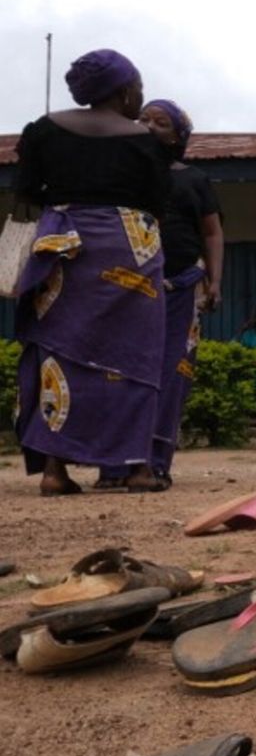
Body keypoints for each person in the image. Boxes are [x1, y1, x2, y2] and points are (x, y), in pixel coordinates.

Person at [12, 49, 171, 495]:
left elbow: (25, 191)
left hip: (63, 247)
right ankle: (137, 468)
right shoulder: (143, 141)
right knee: (135, 358)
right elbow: (158, 202)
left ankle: (53, 472)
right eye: (138, 87)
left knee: (57, 355)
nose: (141, 95)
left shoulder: (43, 130)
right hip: (130, 249)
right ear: (123, 92)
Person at [97, 99, 223, 489]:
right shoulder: (118, 176)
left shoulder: (193, 179)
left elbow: (212, 233)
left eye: (161, 122)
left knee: (171, 375)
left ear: (178, 136)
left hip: (181, 288)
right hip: (125, 291)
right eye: (143, 118)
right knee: (119, 374)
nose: (149, 125)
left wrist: (215, 281)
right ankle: (115, 466)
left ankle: (154, 464)